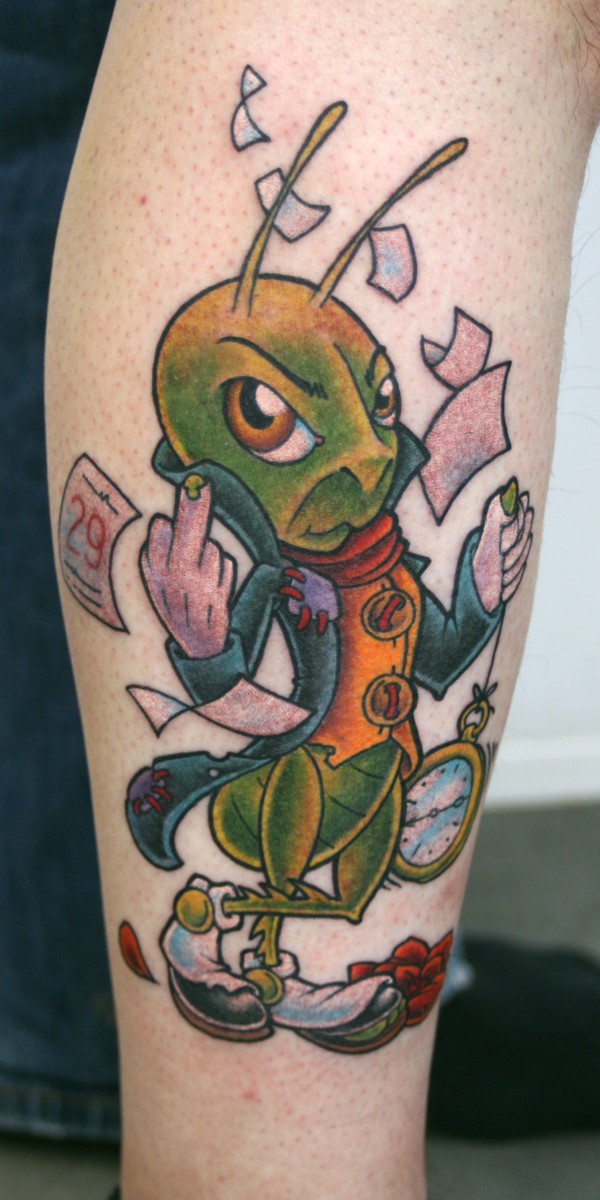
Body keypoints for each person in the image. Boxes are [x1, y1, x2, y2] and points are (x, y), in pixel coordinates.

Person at [40, 3, 600, 1198]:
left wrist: (476, 596)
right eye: (270, 417)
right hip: (293, 793)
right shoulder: (288, 581)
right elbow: (234, 678)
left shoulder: (381, 563)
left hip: (374, 784)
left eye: (378, 403)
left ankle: (184, 1047)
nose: (372, 454)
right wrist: (201, 642)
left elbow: (427, 658)